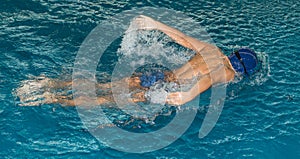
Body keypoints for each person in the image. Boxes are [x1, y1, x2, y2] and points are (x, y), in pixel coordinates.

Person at [15, 15, 259, 106]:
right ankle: (50, 99)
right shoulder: (228, 73)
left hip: (158, 76)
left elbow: (182, 38)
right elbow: (209, 79)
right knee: (102, 101)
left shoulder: (213, 50)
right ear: (241, 72)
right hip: (164, 89)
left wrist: (154, 24)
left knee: (103, 84)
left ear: (232, 54)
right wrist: (188, 95)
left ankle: (46, 83)